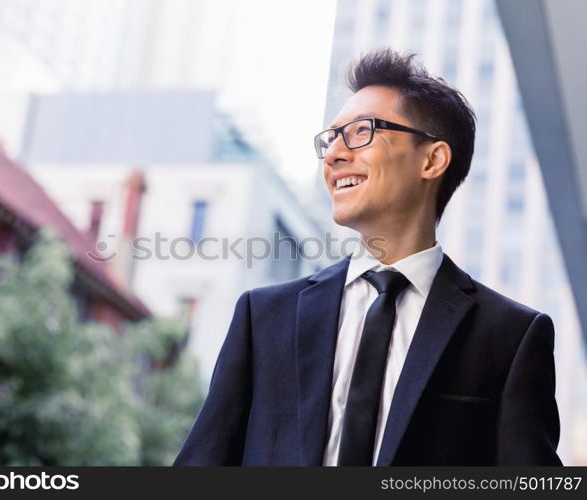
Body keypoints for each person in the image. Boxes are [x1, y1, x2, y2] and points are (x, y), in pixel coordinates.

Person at [174, 49, 561, 466]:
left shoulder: (511, 337)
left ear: (432, 159)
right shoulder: (264, 318)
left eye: (361, 132)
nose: (334, 155)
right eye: (330, 139)